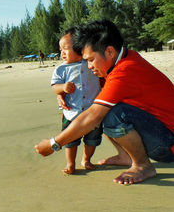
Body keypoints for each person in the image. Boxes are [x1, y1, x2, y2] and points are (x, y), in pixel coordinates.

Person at [35, 19, 174, 185]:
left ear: (109, 52)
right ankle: (125, 156)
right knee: (106, 106)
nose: (89, 66)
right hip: (160, 132)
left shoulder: (124, 71)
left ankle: (143, 165)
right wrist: (61, 93)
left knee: (110, 112)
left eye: (91, 59)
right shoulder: (123, 59)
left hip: (168, 145)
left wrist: (53, 144)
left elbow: (92, 116)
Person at [51, 28, 102, 174]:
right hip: (71, 112)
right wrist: (62, 88)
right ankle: (70, 164)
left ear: (80, 48)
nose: (62, 53)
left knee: (92, 140)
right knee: (70, 140)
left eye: (66, 49)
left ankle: (86, 159)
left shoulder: (90, 64)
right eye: (60, 49)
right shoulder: (61, 69)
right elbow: (54, 87)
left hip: (92, 111)